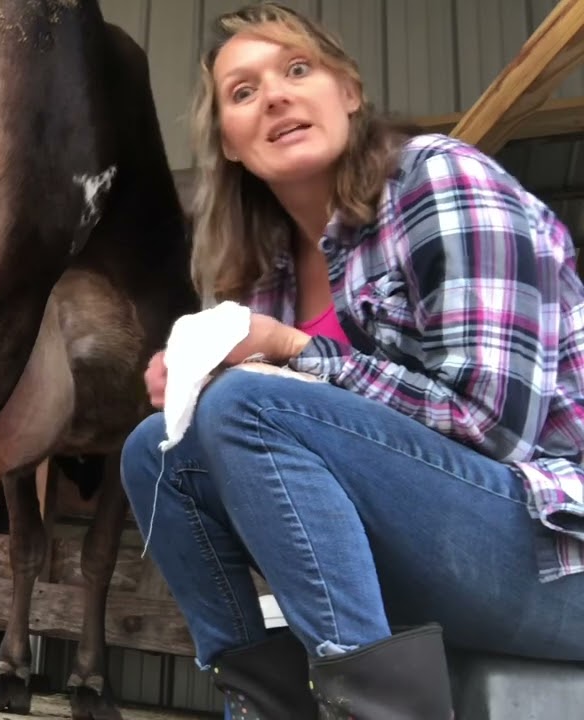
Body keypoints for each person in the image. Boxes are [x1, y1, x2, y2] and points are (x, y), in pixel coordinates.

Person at [119, 3, 584, 719]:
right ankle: (264, 704)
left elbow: (493, 424)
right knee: (158, 449)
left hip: (554, 553)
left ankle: (373, 712)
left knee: (249, 405)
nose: (275, 96)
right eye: (243, 92)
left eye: (297, 69)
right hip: (437, 556)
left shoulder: (441, 179)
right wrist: (197, 377)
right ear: (229, 143)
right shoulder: (268, 269)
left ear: (350, 92)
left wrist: (290, 351)